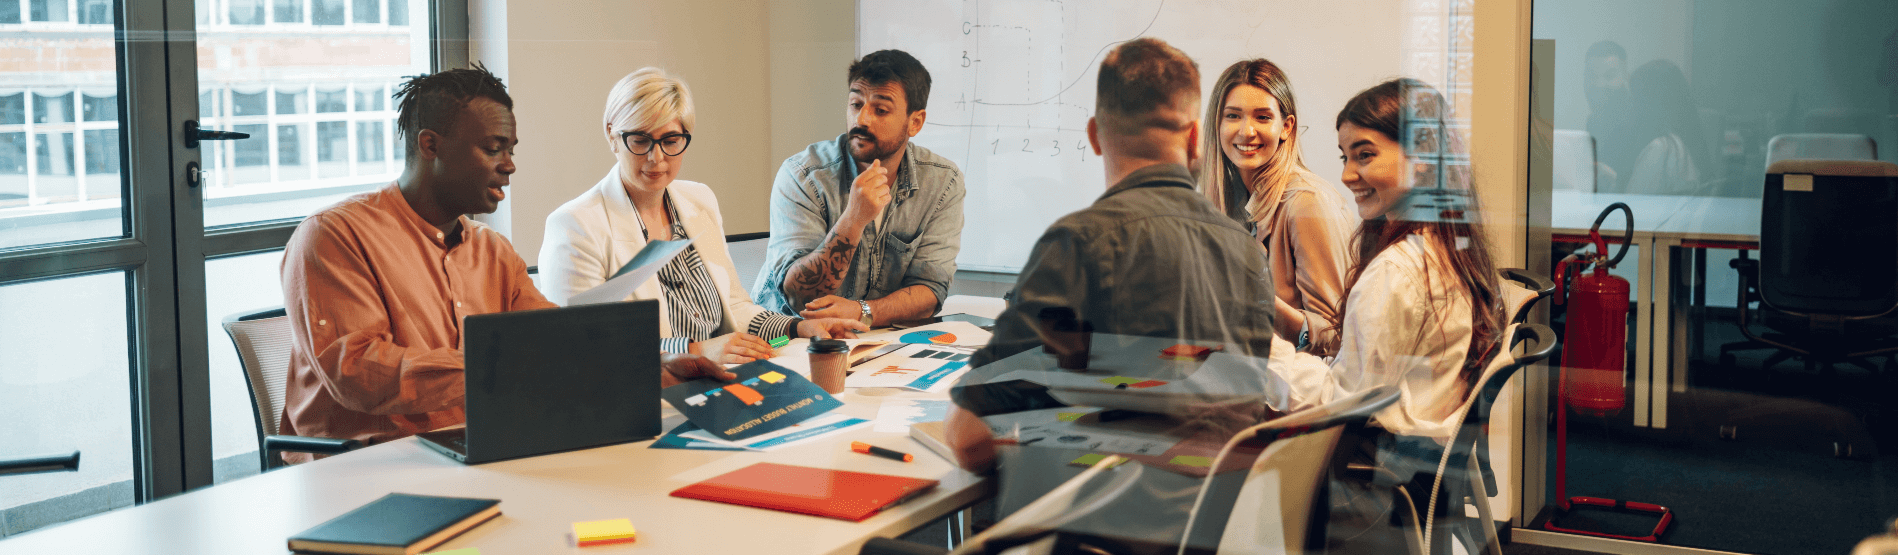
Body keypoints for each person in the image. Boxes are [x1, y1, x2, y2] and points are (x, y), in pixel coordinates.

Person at [278, 66, 730, 462]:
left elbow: (560, 341)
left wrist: (658, 365)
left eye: (511, 149)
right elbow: (359, 374)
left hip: (481, 447)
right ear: (430, 145)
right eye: (494, 148)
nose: (510, 166)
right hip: (366, 466)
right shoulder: (334, 236)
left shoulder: (492, 250)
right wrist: (513, 363)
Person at [945, 36, 1275, 471]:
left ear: (1095, 136)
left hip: (1105, 524)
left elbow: (968, 438)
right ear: (1196, 137)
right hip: (1219, 523)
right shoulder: (1247, 252)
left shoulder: (1078, 244)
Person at [539, 68, 866, 364]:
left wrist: (800, 327)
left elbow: (734, 308)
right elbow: (586, 347)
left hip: (725, 379)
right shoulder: (576, 226)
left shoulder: (699, 199)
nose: (657, 158)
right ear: (612, 135)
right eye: (640, 140)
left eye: (671, 140)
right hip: (654, 398)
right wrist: (695, 351)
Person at [1267, 78, 1505, 440]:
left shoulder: (1396, 272)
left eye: (1365, 155)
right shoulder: (1446, 246)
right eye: (1345, 157)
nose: (1346, 175)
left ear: (1422, 159)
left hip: (1375, 468)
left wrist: (1260, 351)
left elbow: (1345, 402)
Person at [754, 49, 965, 328]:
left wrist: (861, 311)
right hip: (789, 338)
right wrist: (853, 220)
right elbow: (799, 296)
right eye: (856, 104)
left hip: (877, 339)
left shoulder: (942, 182)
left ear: (915, 122)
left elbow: (930, 289)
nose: (862, 119)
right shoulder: (803, 175)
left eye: (880, 110)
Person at [1199, 58, 1355, 354]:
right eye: (1233, 116)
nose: (1246, 131)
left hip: (1298, 392)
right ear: (1217, 125)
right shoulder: (1225, 201)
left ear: (1286, 126)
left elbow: (1339, 339)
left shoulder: (1307, 201)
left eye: (1262, 117)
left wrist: (1260, 301)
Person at [1620, 60, 1710, 196]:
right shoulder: (1680, 143)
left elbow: (1629, 208)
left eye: (1634, 96)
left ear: (1648, 103)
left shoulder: (1659, 149)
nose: (1629, 103)